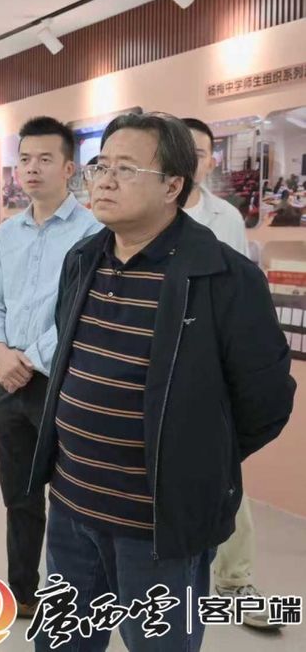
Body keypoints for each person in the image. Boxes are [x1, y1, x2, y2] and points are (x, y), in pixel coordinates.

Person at [28, 113, 295, 651]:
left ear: (173, 186)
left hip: (158, 525)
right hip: (73, 505)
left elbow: (265, 402)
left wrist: (193, 459)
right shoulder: (83, 259)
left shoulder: (225, 277)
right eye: (101, 166)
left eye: (126, 169)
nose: (104, 181)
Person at [0, 116, 102, 618]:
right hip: (10, 384)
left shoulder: (93, 232)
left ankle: (76, 597)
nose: (32, 168)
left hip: (65, 384)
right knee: (20, 497)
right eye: (25, 159)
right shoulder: (8, 232)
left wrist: (27, 359)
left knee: (73, 501)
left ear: (69, 168)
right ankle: (23, 593)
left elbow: (82, 311)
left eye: (45, 159)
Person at [182, 118, 276, 627]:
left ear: (211, 160)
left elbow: (239, 295)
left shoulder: (227, 217)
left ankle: (235, 581)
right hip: (153, 368)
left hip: (210, 367)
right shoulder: (144, 213)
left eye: (199, 152)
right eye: (181, 149)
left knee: (224, 475)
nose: (190, 159)